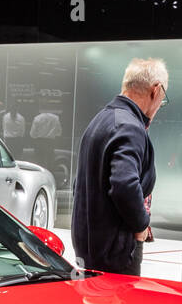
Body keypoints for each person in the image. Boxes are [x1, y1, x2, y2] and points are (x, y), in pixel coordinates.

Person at [71, 57, 167, 275]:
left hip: (91, 249)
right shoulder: (129, 127)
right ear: (156, 90)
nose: (161, 104)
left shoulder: (102, 119)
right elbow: (124, 184)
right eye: (163, 98)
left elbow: (81, 183)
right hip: (115, 253)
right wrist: (141, 225)